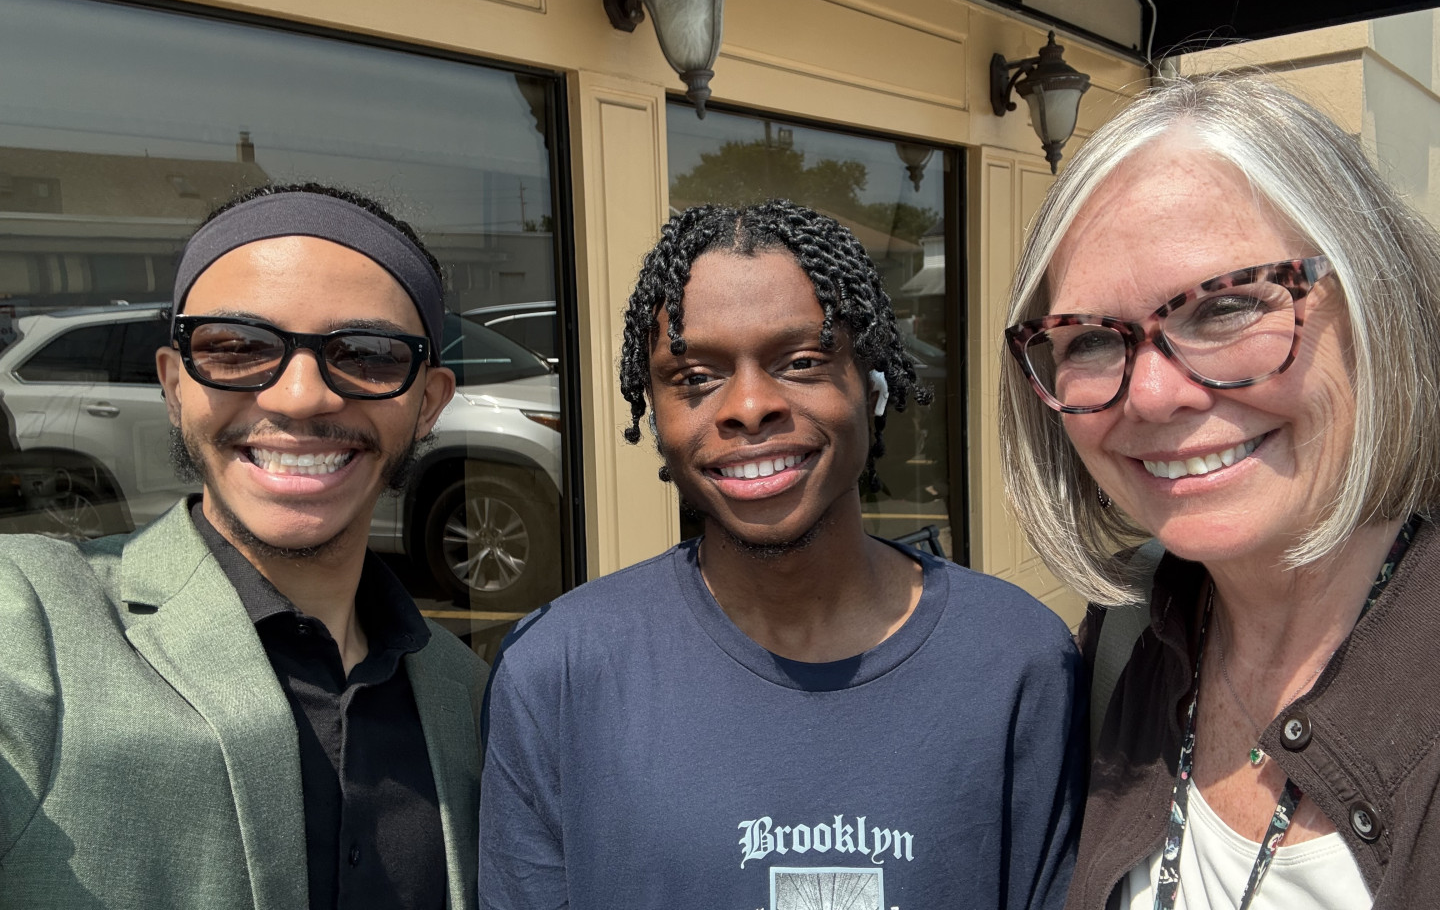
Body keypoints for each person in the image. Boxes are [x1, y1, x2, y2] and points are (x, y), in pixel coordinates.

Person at [479, 200, 1084, 910]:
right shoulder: (556, 674)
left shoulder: (1019, 661)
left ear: (872, 383)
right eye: (694, 377)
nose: (748, 405)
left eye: (801, 362)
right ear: (654, 409)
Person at [999, 74, 1440, 909]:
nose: (1153, 395)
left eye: (1227, 305)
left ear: (1375, 304)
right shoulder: (1124, 646)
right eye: (1089, 338)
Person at [0, 184, 488, 909]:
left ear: (428, 404)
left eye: (367, 354)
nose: (299, 396)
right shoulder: (31, 622)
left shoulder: (469, 698)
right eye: (236, 348)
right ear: (174, 386)